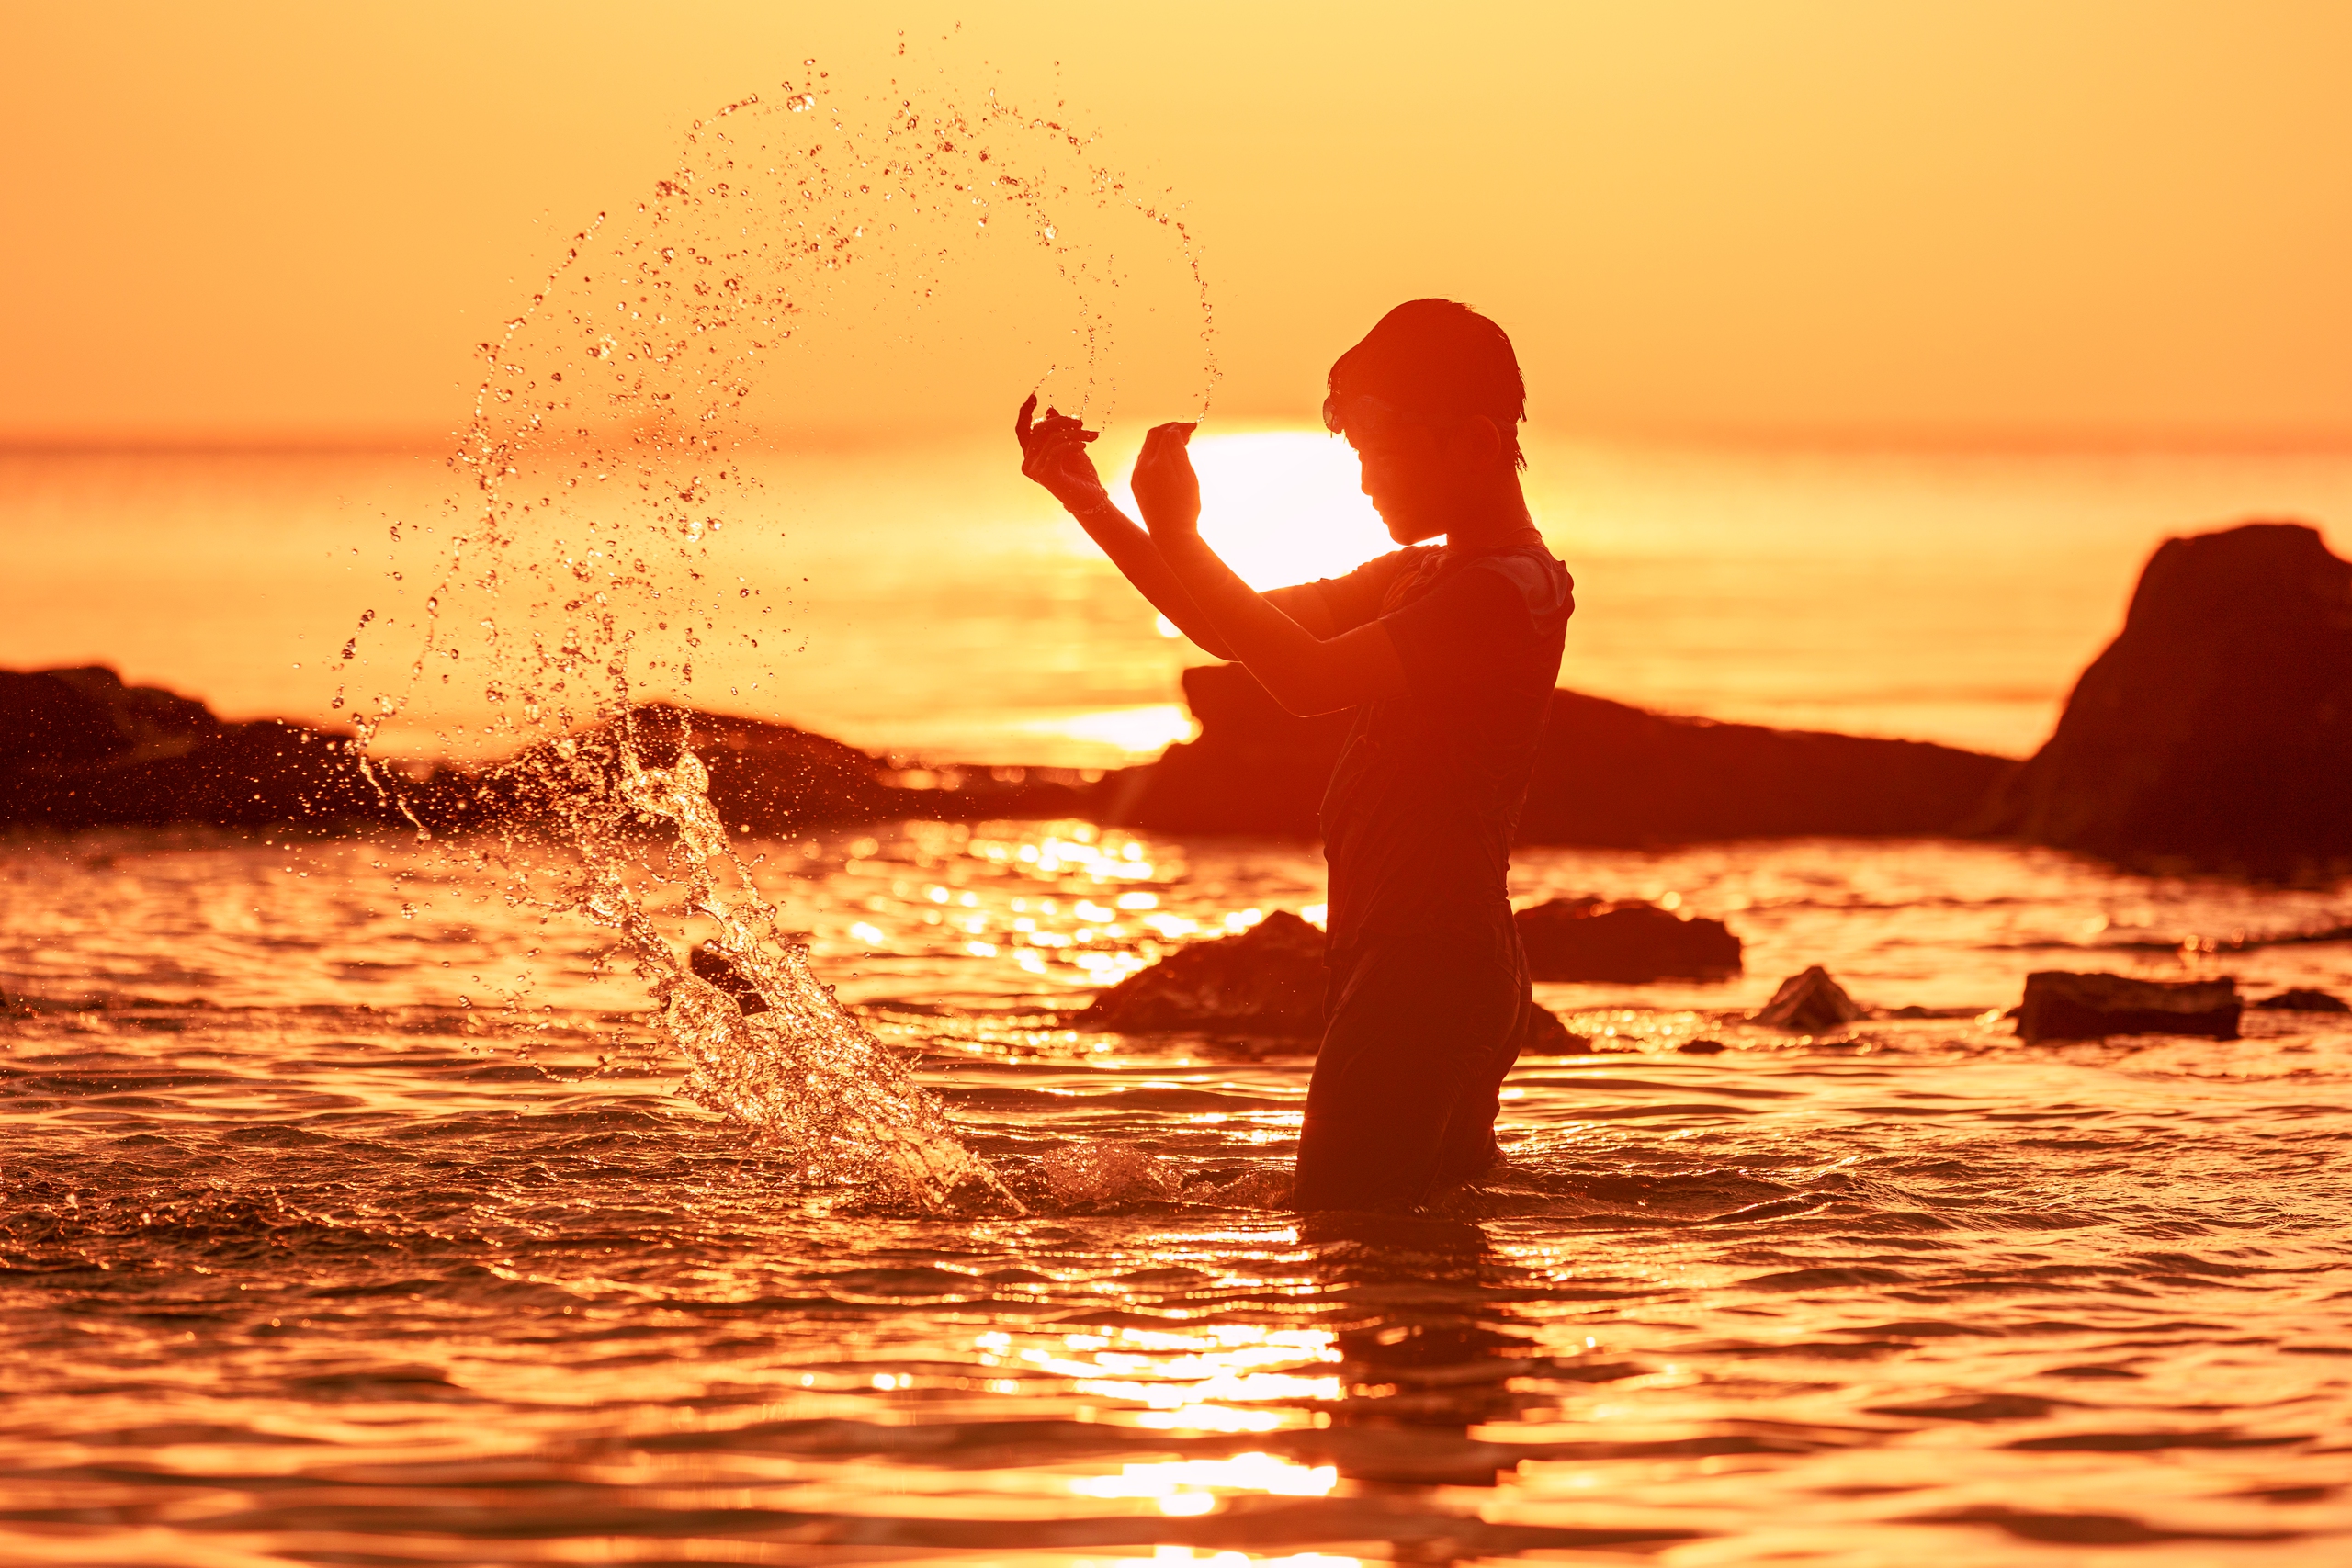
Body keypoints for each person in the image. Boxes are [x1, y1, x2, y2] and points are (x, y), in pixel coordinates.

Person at [1015, 299, 1573, 1213]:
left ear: (1473, 443)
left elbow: (1305, 680)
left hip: (1422, 970)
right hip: (1425, 960)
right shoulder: (1425, 575)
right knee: (1429, 1258)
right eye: (1355, 456)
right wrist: (1088, 500)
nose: (1364, 485)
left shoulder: (1495, 592)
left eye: (1378, 453)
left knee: (1347, 1238)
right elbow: (1218, 627)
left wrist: (1184, 531)